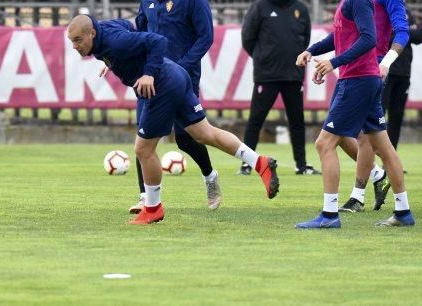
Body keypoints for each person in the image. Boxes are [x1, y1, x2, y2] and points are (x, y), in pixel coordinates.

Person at [67, 15, 279, 226]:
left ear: (92, 33)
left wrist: (148, 73)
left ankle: (152, 208)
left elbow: (158, 41)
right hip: (177, 76)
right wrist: (112, 62)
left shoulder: (115, 42)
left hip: (163, 85)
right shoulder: (106, 32)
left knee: (143, 149)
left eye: (78, 40)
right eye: (72, 41)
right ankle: (259, 163)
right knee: (204, 133)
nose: (75, 46)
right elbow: (125, 24)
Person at [295, 0, 414, 228]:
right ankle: (403, 211)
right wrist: (312, 50)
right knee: (383, 147)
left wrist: (334, 63)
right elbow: (341, 38)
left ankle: (329, 215)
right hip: (365, 78)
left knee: (324, 143)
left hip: (358, 79)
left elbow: (368, 39)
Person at [129, 0, 220, 213]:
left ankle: (210, 177)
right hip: (151, 78)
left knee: (187, 138)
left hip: (182, 79)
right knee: (144, 138)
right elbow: (139, 36)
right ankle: (146, 198)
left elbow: (206, 37)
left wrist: (182, 67)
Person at [337, 0, 409, 213]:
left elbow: (401, 30)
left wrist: (387, 61)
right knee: (358, 135)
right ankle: (378, 180)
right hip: (352, 68)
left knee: (344, 135)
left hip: (370, 70)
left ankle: (359, 195)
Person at [240, 0, 319, 176]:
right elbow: (247, 39)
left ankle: (301, 166)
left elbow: (306, 39)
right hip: (267, 75)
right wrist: (263, 58)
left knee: (297, 122)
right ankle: (247, 164)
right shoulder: (260, 6)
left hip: (293, 75)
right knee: (256, 120)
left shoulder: (300, 9)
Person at [383, 0, 422, 149]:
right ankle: (375, 161)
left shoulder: (407, 12)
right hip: (386, 71)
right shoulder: (384, 10)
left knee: (397, 117)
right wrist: (407, 31)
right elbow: (389, 35)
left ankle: (391, 161)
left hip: (403, 72)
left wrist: (403, 31)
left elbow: (420, 35)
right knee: (379, 116)